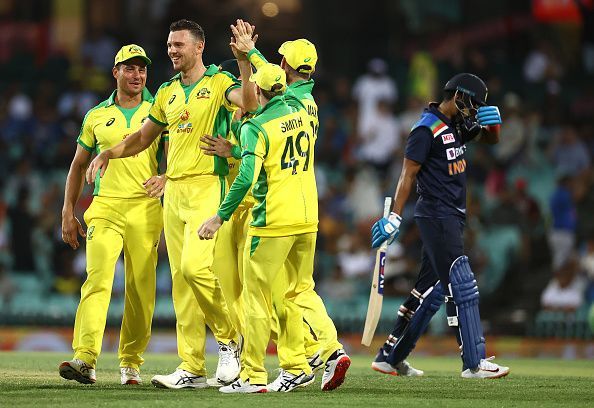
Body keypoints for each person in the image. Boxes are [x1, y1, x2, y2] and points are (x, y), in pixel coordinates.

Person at [86, 19, 258, 389]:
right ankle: (192, 367)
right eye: (169, 45)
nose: (172, 50)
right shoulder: (165, 92)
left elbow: (250, 102)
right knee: (181, 283)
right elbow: (142, 138)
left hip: (207, 187)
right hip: (173, 193)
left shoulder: (216, 83)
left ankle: (230, 340)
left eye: (179, 45)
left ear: (199, 47)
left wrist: (244, 61)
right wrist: (108, 153)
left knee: (197, 269)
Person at [209, 27, 350, 390]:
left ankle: (318, 353)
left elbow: (263, 147)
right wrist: (251, 57)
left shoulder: (276, 112)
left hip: (275, 216)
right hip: (308, 212)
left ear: (284, 64)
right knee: (299, 289)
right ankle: (311, 357)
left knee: (265, 296)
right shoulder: (308, 105)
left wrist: (250, 54)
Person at [370, 73, 510, 379]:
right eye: (472, 103)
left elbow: (489, 139)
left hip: (451, 215)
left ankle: (390, 357)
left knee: (429, 291)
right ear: (458, 96)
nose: (474, 110)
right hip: (437, 214)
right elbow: (407, 175)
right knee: (462, 282)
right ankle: (474, 362)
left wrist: (494, 126)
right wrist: (395, 215)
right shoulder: (426, 128)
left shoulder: (457, 124)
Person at [59, 44, 167, 385]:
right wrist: (67, 211)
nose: (137, 75)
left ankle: (130, 362)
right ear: (115, 72)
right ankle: (85, 358)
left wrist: (167, 176)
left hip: (145, 208)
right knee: (97, 280)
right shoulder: (95, 115)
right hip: (104, 207)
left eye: (142, 69)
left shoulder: (158, 109)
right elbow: (78, 165)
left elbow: (180, 153)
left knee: (140, 288)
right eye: (130, 68)